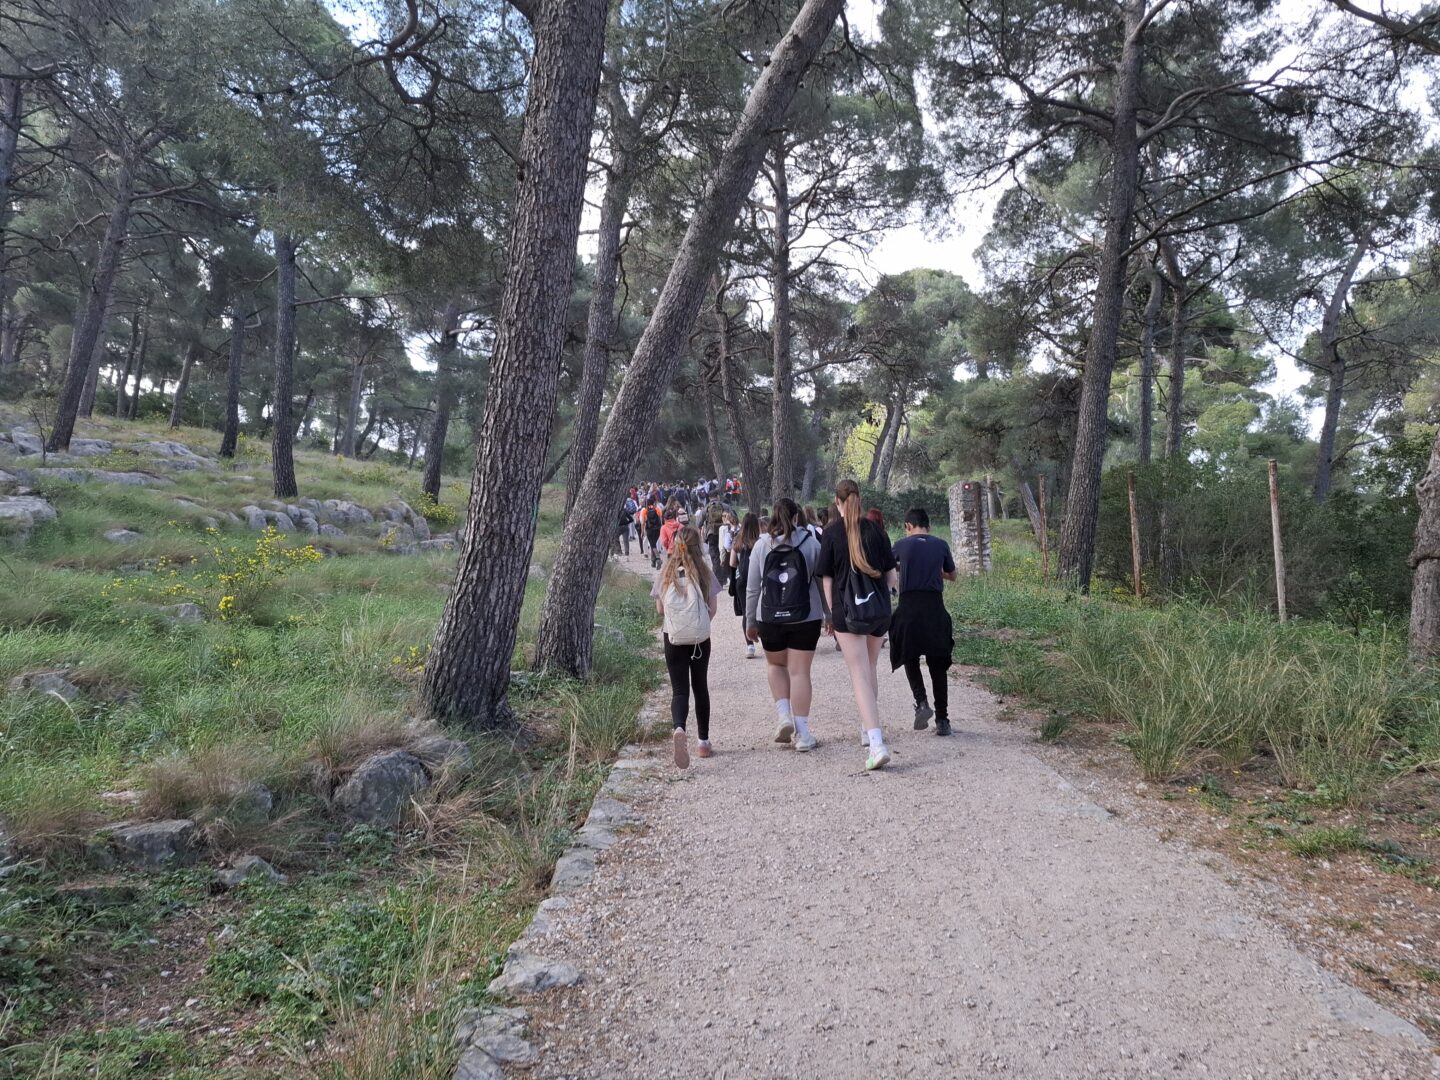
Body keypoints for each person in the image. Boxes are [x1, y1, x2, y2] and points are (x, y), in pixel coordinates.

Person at [818, 479, 899, 771]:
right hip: (877, 610)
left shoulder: (831, 533)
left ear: (837, 502)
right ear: (859, 499)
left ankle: (876, 743)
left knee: (859, 673)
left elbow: (827, 579)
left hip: (847, 612)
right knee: (870, 668)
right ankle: (867, 728)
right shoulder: (876, 530)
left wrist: (831, 614)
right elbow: (891, 576)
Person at [745, 498, 825, 751]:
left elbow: (752, 588)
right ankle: (803, 735)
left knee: (776, 665)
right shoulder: (811, 543)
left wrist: (750, 621)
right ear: (796, 517)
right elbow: (822, 581)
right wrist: (830, 614)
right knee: (800, 672)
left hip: (769, 617)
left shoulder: (761, 545)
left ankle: (783, 716)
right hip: (806, 616)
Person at [653, 525, 721, 768]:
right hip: (699, 641)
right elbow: (713, 609)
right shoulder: (705, 573)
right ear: (697, 546)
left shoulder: (665, 573)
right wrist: (698, 625)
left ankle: (679, 728)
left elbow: (660, 609)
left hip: (673, 637)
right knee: (700, 687)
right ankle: (703, 742)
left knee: (679, 690)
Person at [890, 507, 958, 736]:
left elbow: (887, 568)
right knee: (937, 665)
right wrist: (938, 572)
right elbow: (952, 575)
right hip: (934, 608)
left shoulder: (901, 545)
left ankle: (921, 702)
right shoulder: (941, 544)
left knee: (909, 656)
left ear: (908, 526)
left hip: (909, 608)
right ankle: (943, 720)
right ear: (929, 526)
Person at [728, 512, 760, 658]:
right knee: (760, 608)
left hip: (742, 581)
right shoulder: (760, 541)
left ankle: (750, 646)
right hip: (758, 580)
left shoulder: (738, 541)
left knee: (747, 612)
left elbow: (732, 563)